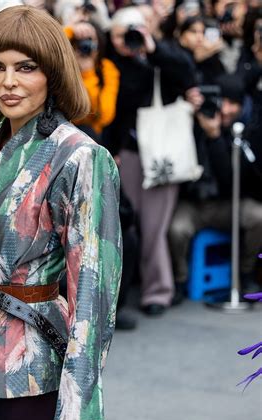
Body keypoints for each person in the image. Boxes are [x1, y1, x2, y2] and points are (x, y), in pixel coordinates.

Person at [0, 6, 122, 420]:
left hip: (39, 363)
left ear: (53, 73)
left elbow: (94, 285)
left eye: (26, 67)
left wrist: (79, 400)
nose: (9, 81)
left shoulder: (81, 156)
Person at [103, 6, 194, 317]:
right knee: (124, 224)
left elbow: (186, 76)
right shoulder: (108, 64)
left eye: (133, 31)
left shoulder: (160, 57)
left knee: (155, 227)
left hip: (160, 152)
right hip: (124, 152)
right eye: (119, 34)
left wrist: (152, 49)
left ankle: (158, 291)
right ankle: (123, 292)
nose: (125, 40)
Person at [169, 74, 262, 302]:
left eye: (234, 104)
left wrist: (216, 137)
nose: (227, 109)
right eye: (223, 102)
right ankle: (180, 280)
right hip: (193, 203)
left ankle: (245, 273)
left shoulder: (247, 129)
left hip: (228, 203)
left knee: (259, 217)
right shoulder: (190, 120)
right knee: (176, 229)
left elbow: (232, 182)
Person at [64, 21, 120, 142]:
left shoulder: (107, 69)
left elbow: (105, 116)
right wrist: (70, 30)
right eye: (78, 40)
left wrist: (88, 75)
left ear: (98, 44)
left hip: (90, 136)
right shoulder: (62, 67)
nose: (83, 44)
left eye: (89, 39)